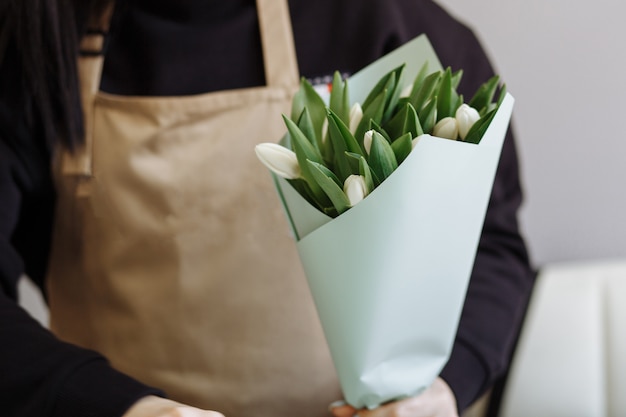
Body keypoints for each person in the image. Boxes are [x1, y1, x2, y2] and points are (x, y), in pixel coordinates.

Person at [0, 1, 535, 417]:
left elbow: (491, 244)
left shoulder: (376, 22)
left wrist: (444, 388)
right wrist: (120, 406)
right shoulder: (34, 41)